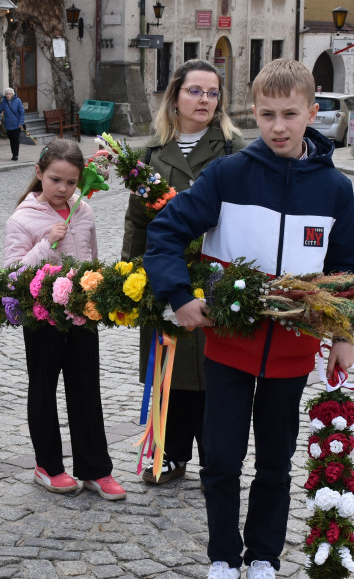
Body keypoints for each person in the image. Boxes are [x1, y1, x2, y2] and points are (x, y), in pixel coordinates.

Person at [143, 58, 354, 579]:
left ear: (313, 113)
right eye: (267, 115)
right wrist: (179, 296)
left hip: (290, 351)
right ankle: (223, 562)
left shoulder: (335, 188)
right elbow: (165, 231)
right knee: (220, 458)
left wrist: (342, 333)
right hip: (229, 345)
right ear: (253, 114)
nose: (279, 127)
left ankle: (263, 562)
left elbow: (343, 269)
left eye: (290, 114)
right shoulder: (228, 174)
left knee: (274, 462)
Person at [122, 59, 246, 486]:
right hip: (164, 274)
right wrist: (129, 277)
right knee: (169, 372)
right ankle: (170, 456)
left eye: (212, 93)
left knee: (216, 371)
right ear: (175, 97)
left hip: (216, 277)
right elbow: (138, 220)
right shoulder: (152, 154)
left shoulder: (235, 151)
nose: (205, 100)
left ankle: (217, 458)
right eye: (195, 91)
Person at [4, 139, 126, 502]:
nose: (63, 189)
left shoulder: (83, 211)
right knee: (43, 387)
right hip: (41, 317)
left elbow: (92, 257)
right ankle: (49, 465)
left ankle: (96, 469)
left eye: (71, 182)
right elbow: (11, 275)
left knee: (86, 387)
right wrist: (45, 245)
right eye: (56, 179)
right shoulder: (21, 218)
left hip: (81, 315)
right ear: (39, 173)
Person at [0, 87, 26, 161]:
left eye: (9, 94)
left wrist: (20, 123)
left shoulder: (18, 101)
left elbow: (22, 113)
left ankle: (15, 155)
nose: (8, 95)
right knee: (11, 140)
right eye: (6, 94)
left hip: (16, 124)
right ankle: (13, 153)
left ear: (12, 94)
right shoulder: (3, 102)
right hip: (8, 124)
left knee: (16, 140)